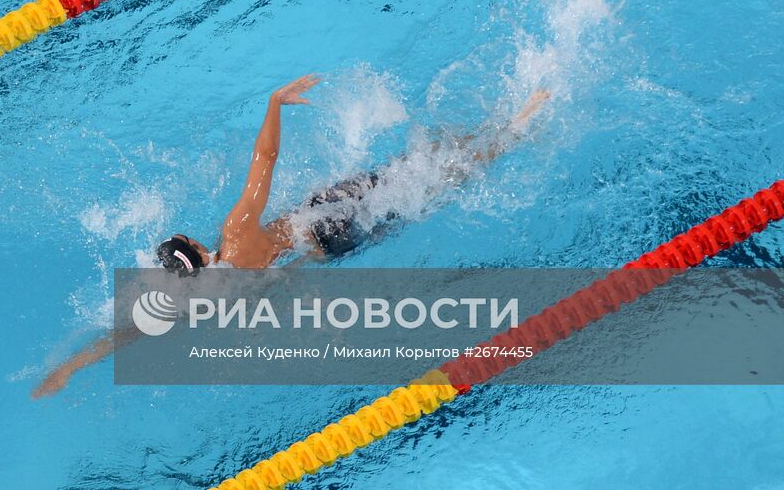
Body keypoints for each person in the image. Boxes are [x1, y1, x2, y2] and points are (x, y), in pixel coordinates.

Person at [31, 75, 550, 397]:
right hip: (328, 216)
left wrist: (71, 367)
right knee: (422, 165)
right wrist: (275, 102)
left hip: (340, 248)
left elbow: (129, 334)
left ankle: (504, 140)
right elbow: (265, 160)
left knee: (430, 190)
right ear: (192, 247)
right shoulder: (234, 238)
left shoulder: (205, 302)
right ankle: (513, 124)